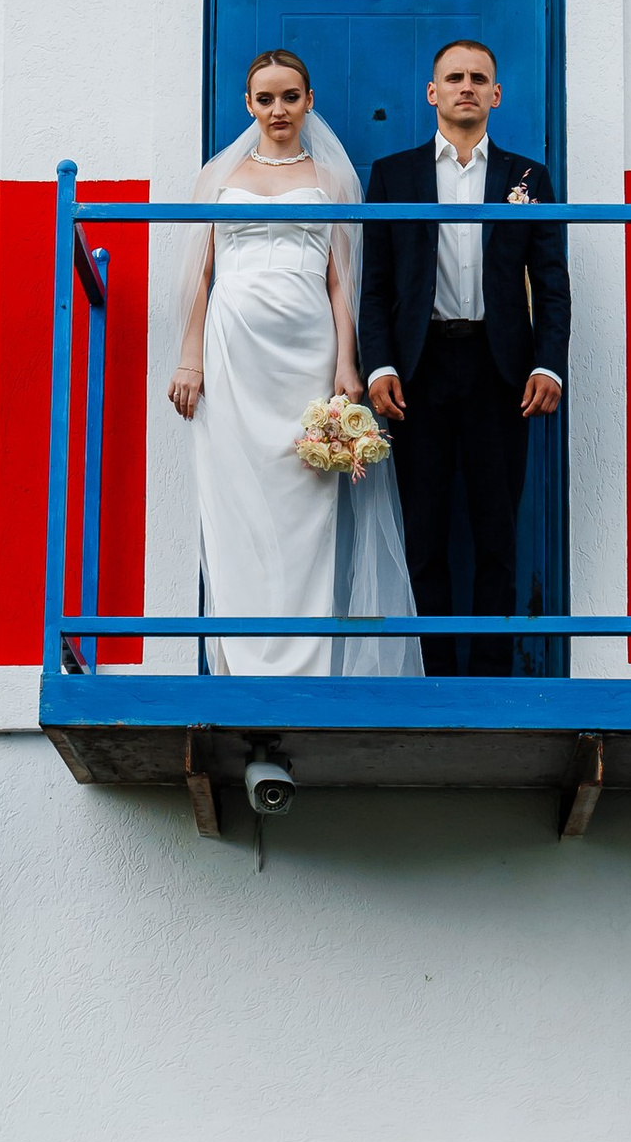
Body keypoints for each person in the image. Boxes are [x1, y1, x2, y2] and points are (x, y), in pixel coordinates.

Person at [165, 48, 415, 679]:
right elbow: (202, 273)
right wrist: (189, 358)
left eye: (291, 97)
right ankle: (242, 662)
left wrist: (346, 366)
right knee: (236, 503)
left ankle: (306, 664)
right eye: (266, 98)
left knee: (307, 507)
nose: (279, 110)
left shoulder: (333, 181)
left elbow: (342, 282)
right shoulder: (217, 178)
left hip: (308, 352)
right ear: (248, 105)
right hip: (233, 349)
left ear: (309, 102)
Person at [360, 39, 570, 679]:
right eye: (454, 77)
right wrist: (380, 365)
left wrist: (548, 363)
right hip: (418, 372)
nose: (467, 87)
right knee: (424, 533)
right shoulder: (392, 175)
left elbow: (552, 280)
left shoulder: (528, 177)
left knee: (495, 532)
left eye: (480, 78)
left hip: (499, 370)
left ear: (497, 94)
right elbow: (377, 282)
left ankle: (488, 679)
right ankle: (434, 676)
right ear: (433, 92)